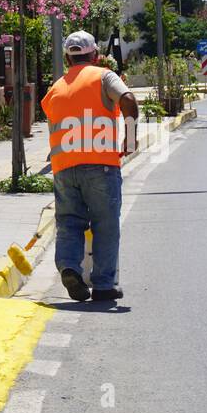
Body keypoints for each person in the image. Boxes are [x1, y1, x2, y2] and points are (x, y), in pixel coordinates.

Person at [41, 31, 138, 303]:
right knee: (105, 224)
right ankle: (104, 285)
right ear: (95, 55)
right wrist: (130, 138)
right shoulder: (104, 76)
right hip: (100, 166)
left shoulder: (56, 87)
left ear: (67, 57)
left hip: (63, 167)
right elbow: (128, 100)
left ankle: (70, 267)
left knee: (69, 223)